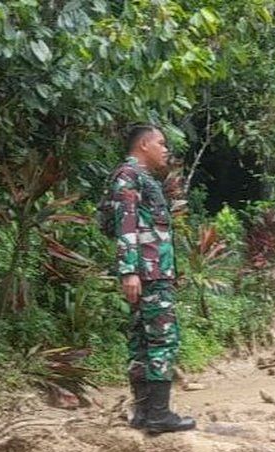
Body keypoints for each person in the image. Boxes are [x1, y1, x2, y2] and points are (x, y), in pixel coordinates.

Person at [101, 124, 195, 434]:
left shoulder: (139, 178)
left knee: (142, 341)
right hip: (149, 274)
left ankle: (143, 413)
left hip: (149, 272)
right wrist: (129, 270)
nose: (166, 149)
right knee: (162, 339)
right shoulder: (130, 177)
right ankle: (158, 415)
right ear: (143, 145)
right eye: (161, 143)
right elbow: (125, 224)